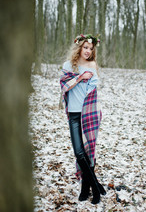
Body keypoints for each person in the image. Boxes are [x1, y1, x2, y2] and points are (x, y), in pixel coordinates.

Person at [59, 34, 106, 204]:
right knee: (79, 152)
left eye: (91, 49)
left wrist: (85, 80)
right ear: (79, 47)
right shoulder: (68, 66)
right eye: (85, 47)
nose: (88, 51)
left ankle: (86, 188)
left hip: (89, 112)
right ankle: (95, 186)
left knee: (88, 151)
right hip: (73, 114)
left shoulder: (92, 65)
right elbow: (65, 85)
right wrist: (80, 78)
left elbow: (92, 90)